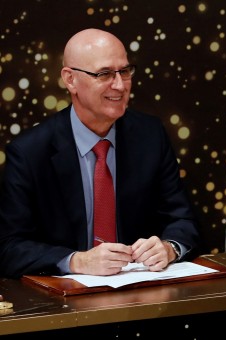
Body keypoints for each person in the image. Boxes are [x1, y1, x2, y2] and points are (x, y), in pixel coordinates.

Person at [0, 28, 200, 279]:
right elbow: (9, 247)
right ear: (70, 79)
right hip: (63, 306)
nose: (119, 85)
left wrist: (169, 248)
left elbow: (183, 220)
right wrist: (78, 261)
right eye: (104, 74)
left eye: (124, 72)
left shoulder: (150, 135)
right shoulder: (30, 152)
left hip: (142, 294)